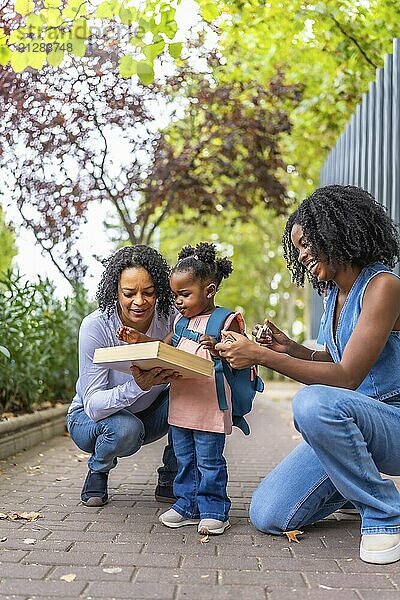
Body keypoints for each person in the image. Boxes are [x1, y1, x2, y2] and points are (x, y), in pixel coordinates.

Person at [215, 185, 400, 564]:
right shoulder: (335, 293)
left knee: (313, 403)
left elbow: (346, 377)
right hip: (353, 424)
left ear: (337, 230)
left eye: (306, 244)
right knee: (269, 514)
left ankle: (384, 513)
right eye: (297, 248)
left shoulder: (384, 286)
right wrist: (290, 348)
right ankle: (353, 488)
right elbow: (334, 358)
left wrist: (262, 356)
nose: (301, 256)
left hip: (392, 423)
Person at [118, 242, 244, 535]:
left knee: (209, 461)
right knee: (185, 459)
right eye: (175, 295)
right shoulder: (179, 320)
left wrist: (220, 347)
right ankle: (187, 505)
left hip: (210, 405)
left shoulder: (225, 319)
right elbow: (165, 347)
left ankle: (215, 509)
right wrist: (139, 340)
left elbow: (241, 356)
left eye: (185, 294)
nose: (177, 301)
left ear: (209, 291)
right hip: (182, 403)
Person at [67, 245, 180, 507]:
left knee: (195, 395)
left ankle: (170, 476)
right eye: (129, 293)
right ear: (115, 292)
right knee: (126, 428)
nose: (139, 302)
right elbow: (93, 406)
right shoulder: (96, 326)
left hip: (150, 415)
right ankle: (99, 468)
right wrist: (138, 386)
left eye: (149, 293)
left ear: (159, 291)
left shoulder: (171, 318)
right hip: (91, 421)